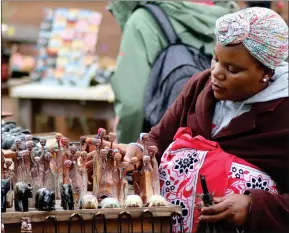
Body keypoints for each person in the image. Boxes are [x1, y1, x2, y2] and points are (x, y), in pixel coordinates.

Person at [98, 6, 288, 233]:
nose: (216, 72)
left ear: (266, 73)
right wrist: (137, 151)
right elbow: (158, 139)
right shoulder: (201, 87)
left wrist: (254, 206)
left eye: (232, 69)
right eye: (215, 59)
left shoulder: (282, 114)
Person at [108, 1, 238, 143]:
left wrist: (128, 154)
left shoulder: (144, 20)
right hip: (222, 147)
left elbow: (132, 106)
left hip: (162, 150)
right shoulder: (235, 23)